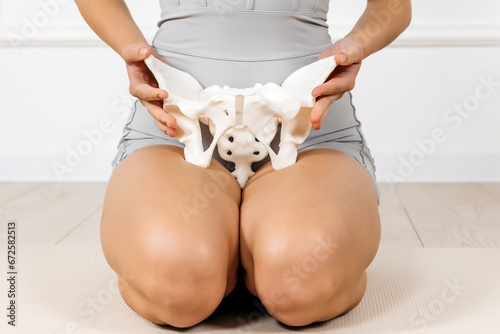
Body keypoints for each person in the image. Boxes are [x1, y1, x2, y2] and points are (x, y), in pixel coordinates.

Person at [75, 0, 411, 328]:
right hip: (177, 127)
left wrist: (356, 46)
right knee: (174, 285)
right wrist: (132, 49)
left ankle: (243, 251)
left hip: (307, 131)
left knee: (302, 284)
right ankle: (226, 253)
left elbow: (392, 7)